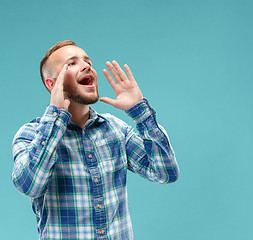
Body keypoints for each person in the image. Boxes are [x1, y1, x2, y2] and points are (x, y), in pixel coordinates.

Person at [11, 40, 179, 239]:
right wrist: (55, 116)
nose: (86, 65)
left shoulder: (115, 129)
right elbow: (30, 186)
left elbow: (166, 173)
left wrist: (140, 113)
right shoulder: (31, 135)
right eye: (72, 63)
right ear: (52, 83)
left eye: (87, 60)